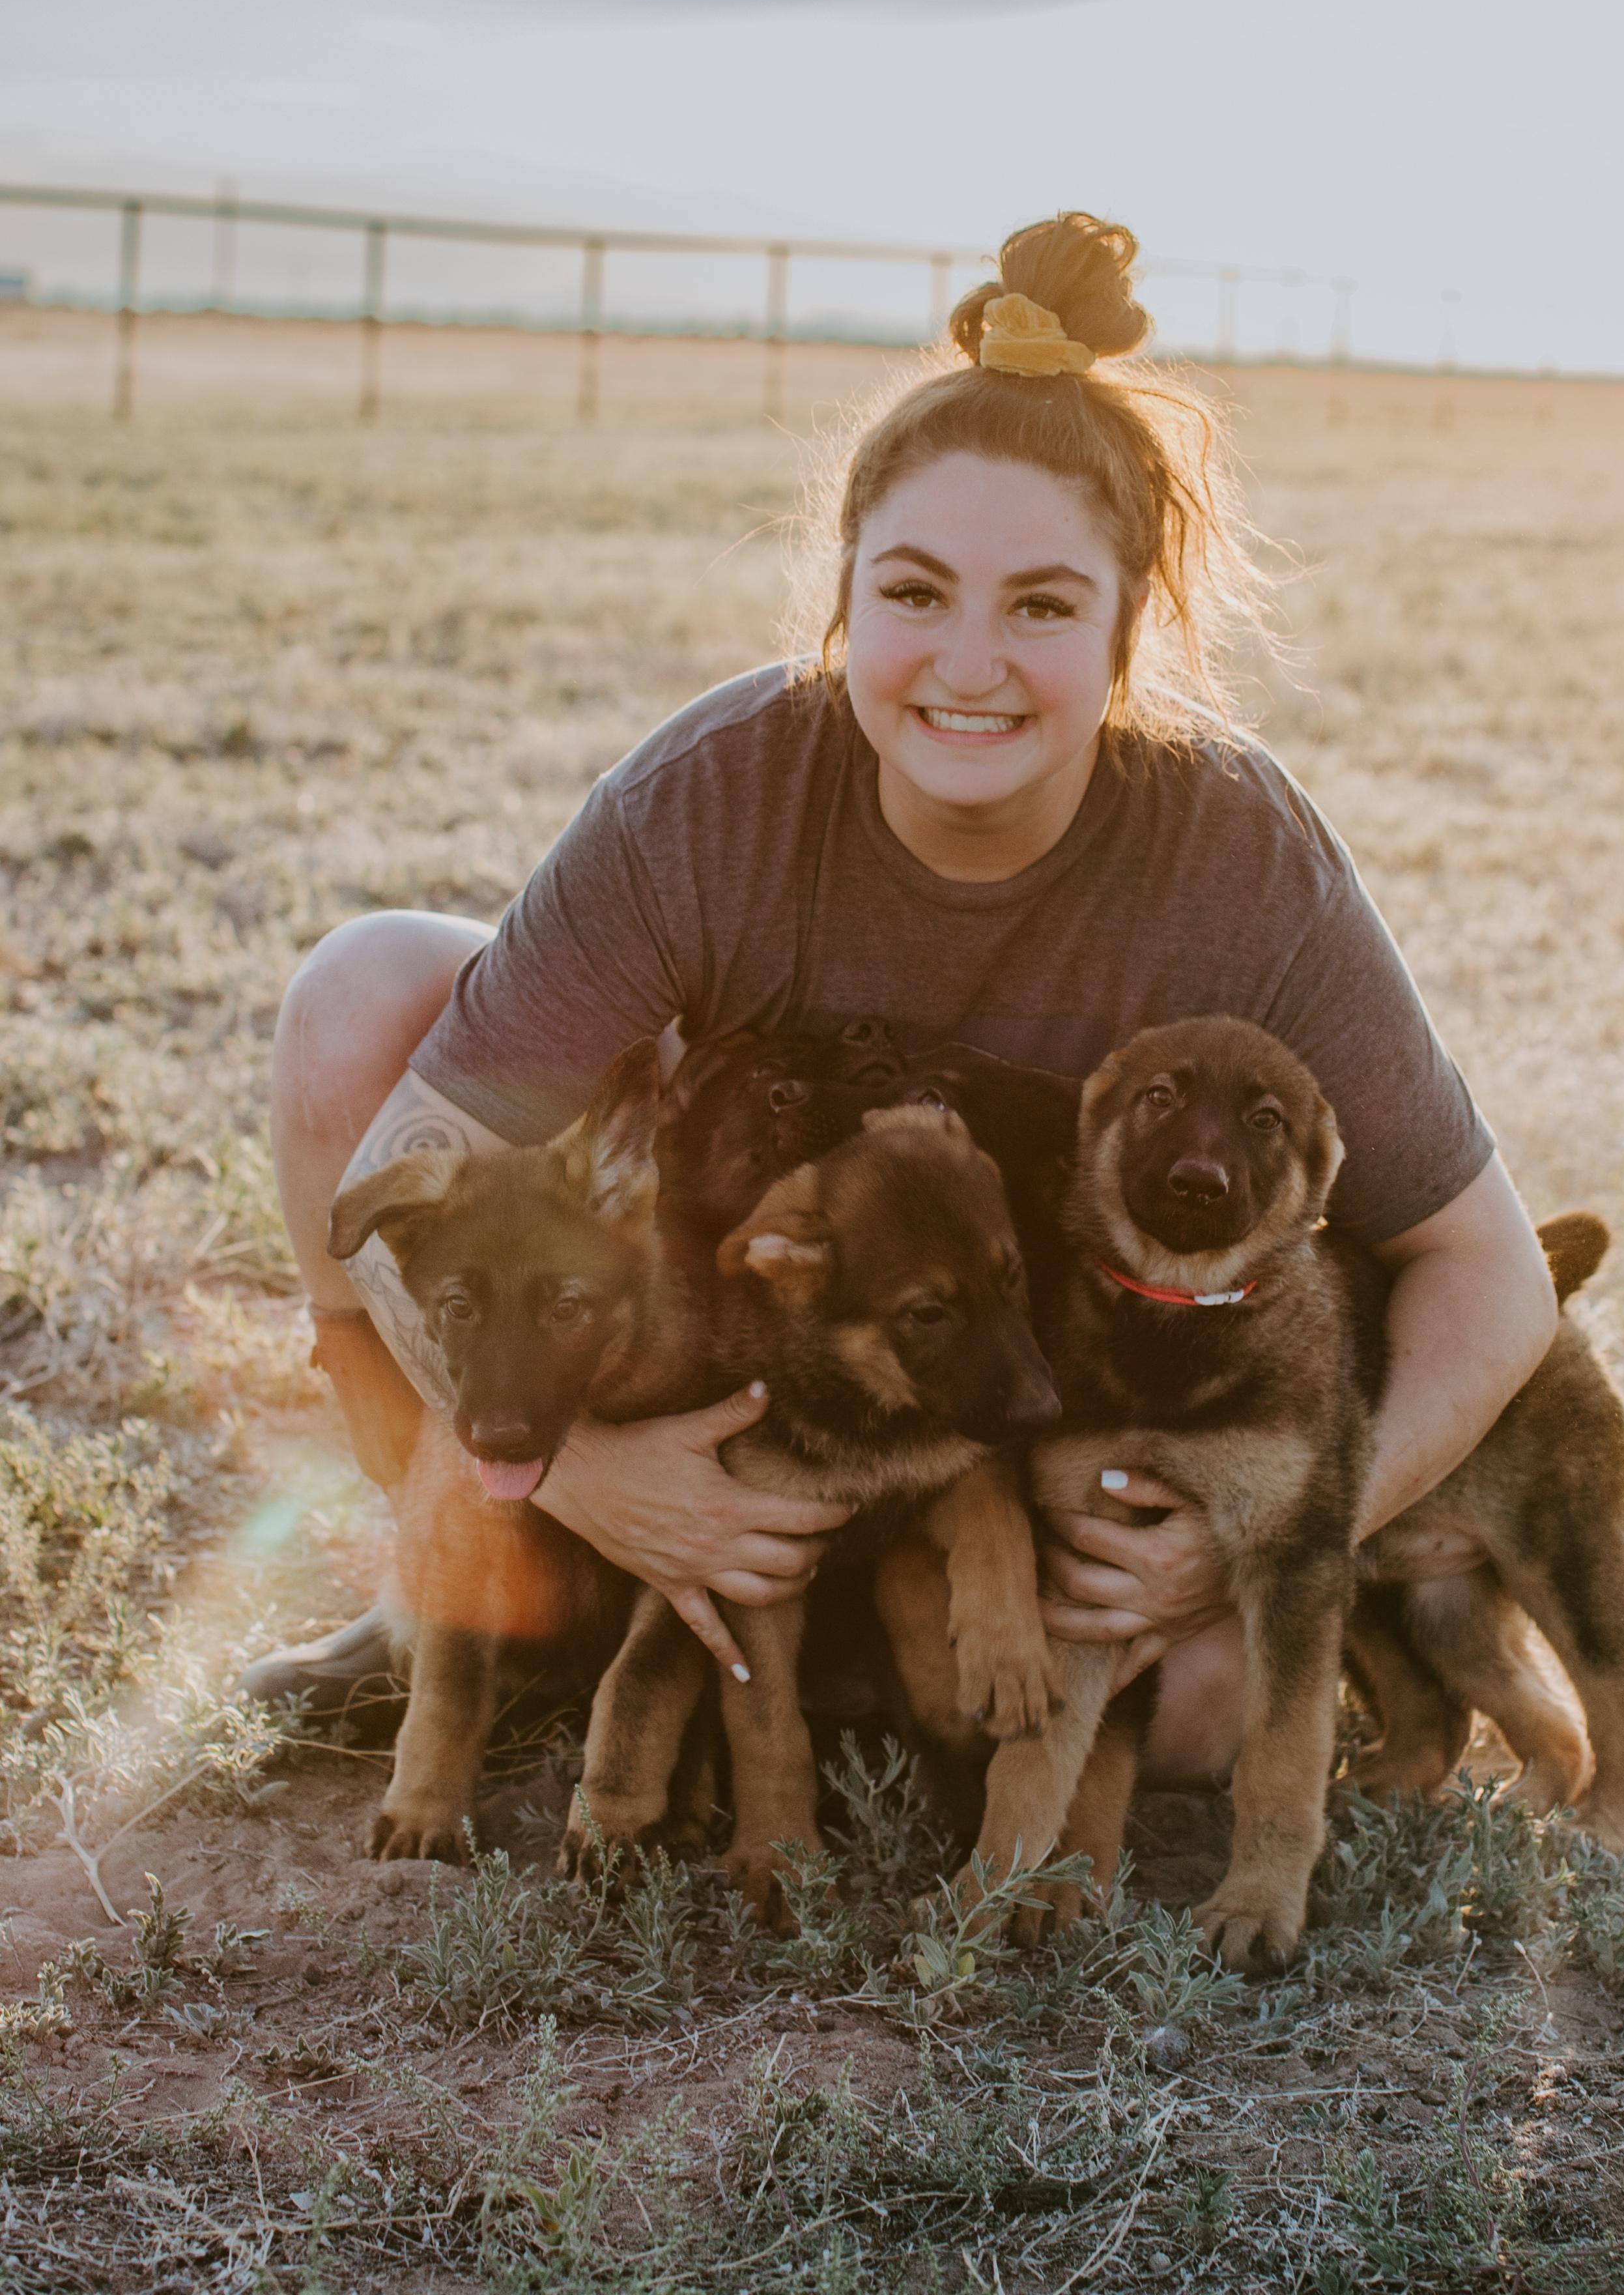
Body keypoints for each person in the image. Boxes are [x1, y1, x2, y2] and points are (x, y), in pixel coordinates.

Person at [257, 212, 1558, 1782]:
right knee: (362, 991)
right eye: (918, 591)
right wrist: (585, 1467)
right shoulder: (715, 794)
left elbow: (1486, 1268)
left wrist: (1268, 1535)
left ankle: (874, 1655)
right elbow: (418, 1135)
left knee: (1204, 1725)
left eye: (1040, 606)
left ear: (1126, 623)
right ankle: (462, 1573)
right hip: (713, 1334)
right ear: (846, 596)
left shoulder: (1232, 853)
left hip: (1026, 1396)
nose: (968, 662)